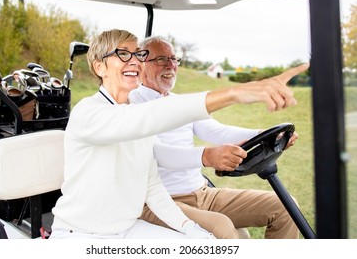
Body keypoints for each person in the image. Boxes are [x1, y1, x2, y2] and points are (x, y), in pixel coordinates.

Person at [49, 29, 308, 239]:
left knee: (261, 221)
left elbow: (152, 184)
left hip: (127, 226)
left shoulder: (140, 109)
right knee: (225, 232)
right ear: (99, 67)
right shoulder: (91, 113)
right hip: (82, 233)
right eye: (122, 54)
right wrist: (235, 94)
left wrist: (187, 227)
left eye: (137, 55)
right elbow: (149, 118)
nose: (134, 61)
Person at [129, 36, 301, 239]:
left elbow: (217, 132)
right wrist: (207, 156)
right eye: (161, 60)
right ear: (140, 63)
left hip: (202, 193)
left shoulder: (180, 103)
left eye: (174, 59)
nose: (170, 65)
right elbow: (156, 153)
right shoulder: (130, 105)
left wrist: (263, 135)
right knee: (224, 228)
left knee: (287, 206)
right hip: (159, 201)